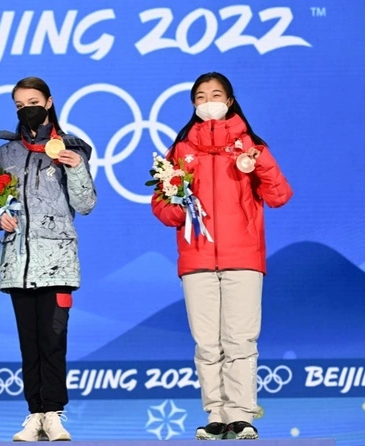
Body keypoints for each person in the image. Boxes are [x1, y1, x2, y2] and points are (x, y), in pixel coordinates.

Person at [151, 72, 292, 440]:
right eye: (201, 96)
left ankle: (241, 415)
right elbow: (162, 208)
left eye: (216, 95)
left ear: (229, 101)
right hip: (197, 259)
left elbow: (279, 196)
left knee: (240, 341)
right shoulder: (181, 150)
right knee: (207, 344)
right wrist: (178, 204)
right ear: (193, 104)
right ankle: (216, 414)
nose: (208, 102)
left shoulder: (251, 147)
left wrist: (259, 161)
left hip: (243, 257)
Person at [0, 76, 97, 442]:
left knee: (53, 341)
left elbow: (86, 204)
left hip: (57, 262)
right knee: (29, 343)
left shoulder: (72, 148)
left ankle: (54, 413)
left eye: (33, 103)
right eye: (20, 106)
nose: (27, 110)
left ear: (49, 102)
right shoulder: (5, 153)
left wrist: (76, 168)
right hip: (18, 262)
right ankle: (34, 414)